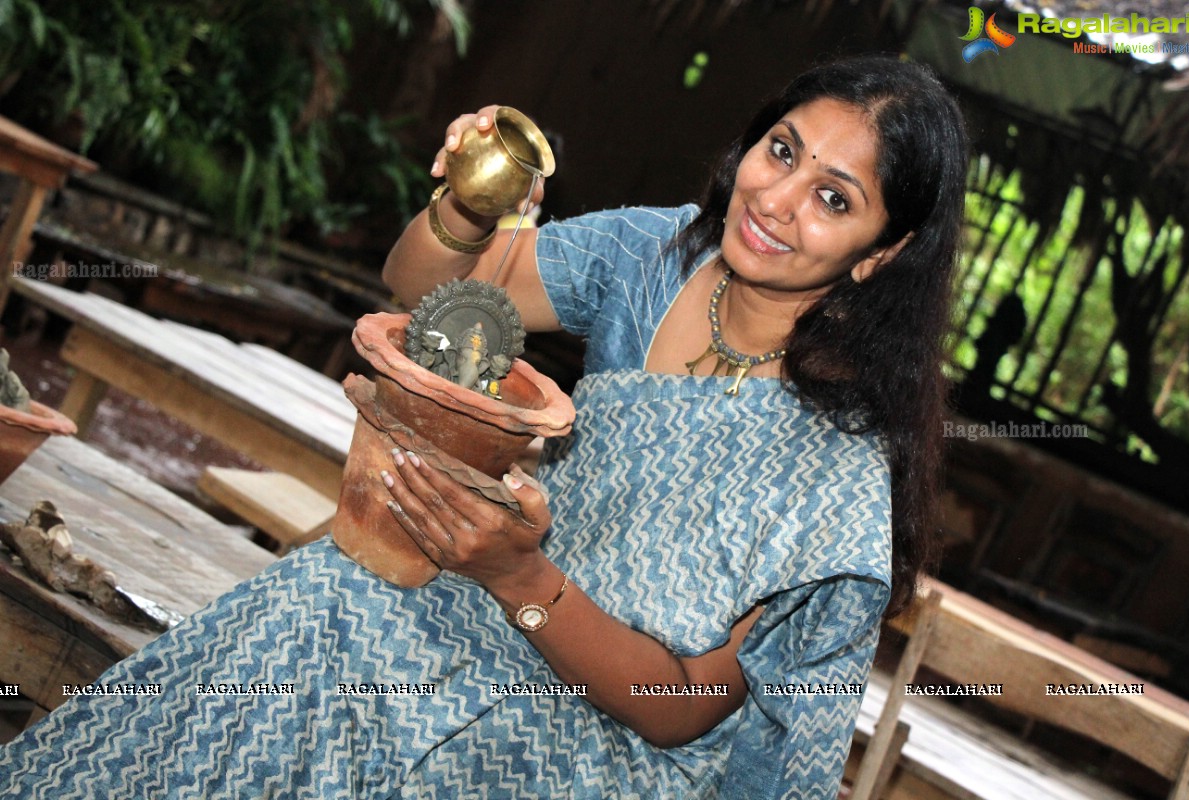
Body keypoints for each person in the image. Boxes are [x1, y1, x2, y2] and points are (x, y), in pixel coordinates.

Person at [0, 55, 967, 799]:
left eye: (834, 200)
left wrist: (521, 577)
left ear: (882, 254)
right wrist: (469, 202)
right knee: (330, 597)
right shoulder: (655, 256)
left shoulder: (832, 459)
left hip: (609, 744)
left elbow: (681, 712)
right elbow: (427, 292)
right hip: (479, 619)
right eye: (783, 151)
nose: (777, 201)